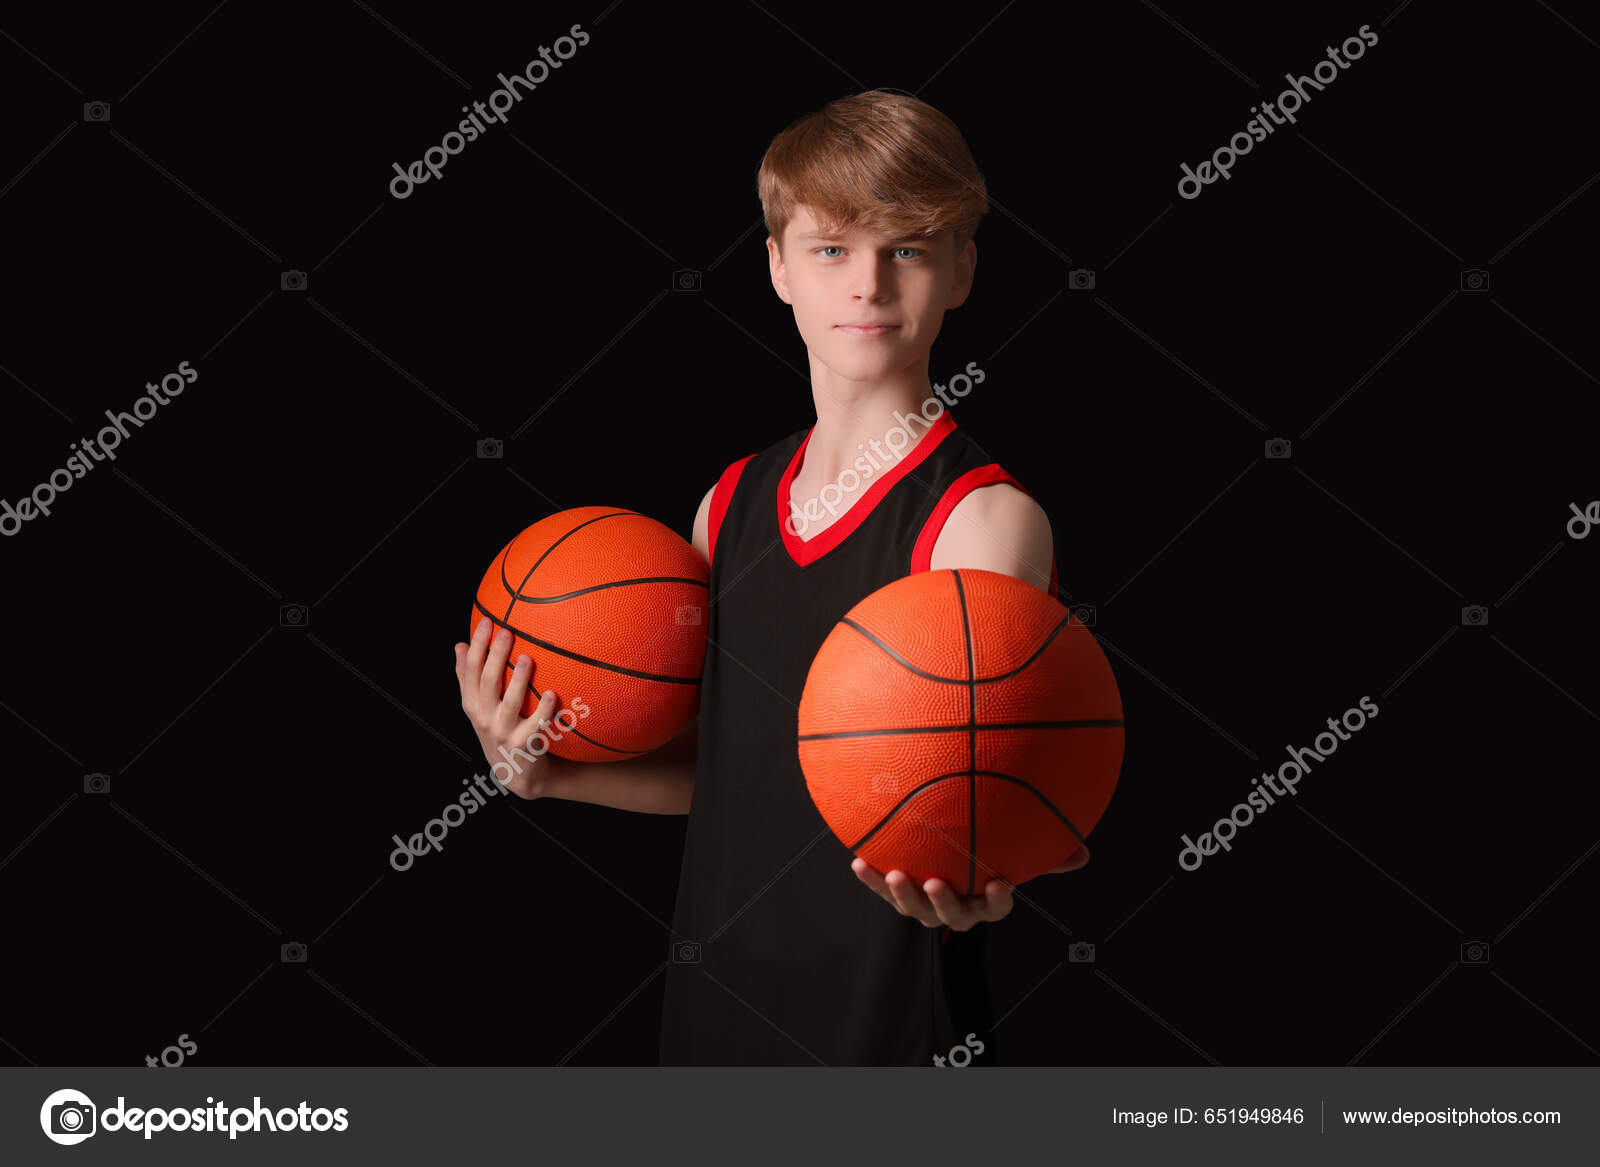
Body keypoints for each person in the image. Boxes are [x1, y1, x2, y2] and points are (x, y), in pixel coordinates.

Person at [453, 89, 1089, 1066]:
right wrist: (553, 777)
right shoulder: (728, 503)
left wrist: (980, 868)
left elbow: (979, 807)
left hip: (886, 1027)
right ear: (777, 268)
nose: (868, 284)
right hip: (717, 1008)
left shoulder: (982, 522)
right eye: (832, 248)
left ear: (961, 270)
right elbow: (737, 773)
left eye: (907, 247)